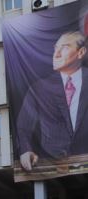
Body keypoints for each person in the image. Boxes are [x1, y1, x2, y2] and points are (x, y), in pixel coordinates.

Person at [17, 31, 88, 171]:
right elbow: (23, 127)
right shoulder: (39, 88)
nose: (56, 54)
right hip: (52, 165)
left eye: (65, 47)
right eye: (56, 48)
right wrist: (25, 150)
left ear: (81, 52)